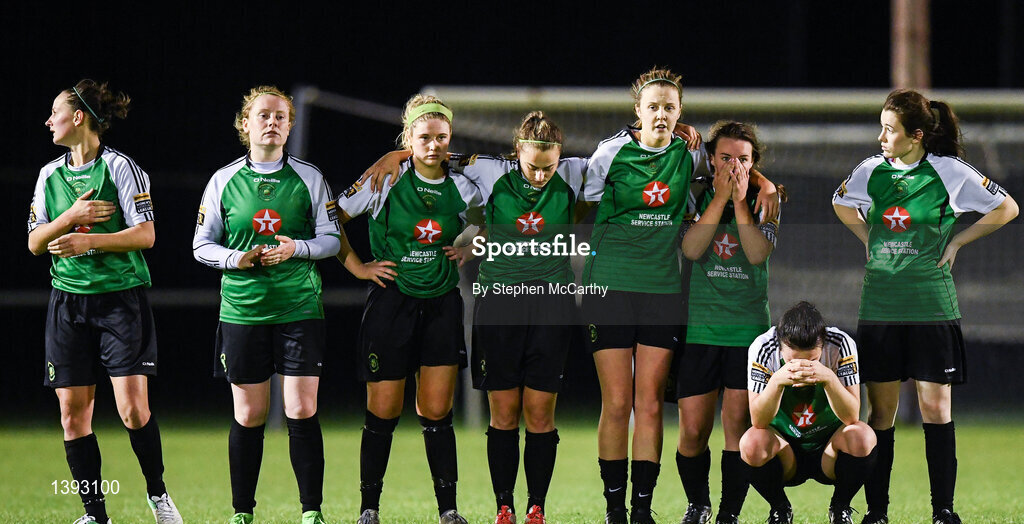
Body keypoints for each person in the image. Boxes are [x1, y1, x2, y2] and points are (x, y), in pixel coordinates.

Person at [578, 67, 780, 524]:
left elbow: (734, 165)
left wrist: (764, 184)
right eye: (653, 106)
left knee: (649, 403)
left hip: (662, 290)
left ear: (680, 112)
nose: (662, 114)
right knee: (617, 403)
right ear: (638, 111)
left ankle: (642, 509)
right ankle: (614, 509)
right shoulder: (610, 153)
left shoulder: (689, 157)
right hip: (608, 287)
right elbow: (577, 191)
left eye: (670, 107)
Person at [832, 89, 1018, 524]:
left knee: (936, 409)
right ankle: (877, 512)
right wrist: (868, 239)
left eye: (889, 130)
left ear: (915, 136)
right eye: (880, 127)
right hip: (880, 308)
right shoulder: (869, 171)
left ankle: (943, 511)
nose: (881, 137)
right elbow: (841, 204)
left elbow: (1006, 208)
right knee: (881, 414)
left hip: (932, 307)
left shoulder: (948, 172)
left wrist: (957, 241)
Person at [28, 79, 182, 524]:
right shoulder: (48, 175)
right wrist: (70, 219)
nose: (48, 120)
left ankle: (159, 498)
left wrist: (89, 240)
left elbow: (146, 235)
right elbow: (36, 242)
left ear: (78, 118)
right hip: (67, 303)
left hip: (119, 302)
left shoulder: (120, 168)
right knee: (72, 416)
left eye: (54, 112)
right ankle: (96, 515)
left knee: (133, 409)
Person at [192, 85, 342, 524]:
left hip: (299, 308)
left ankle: (311, 512)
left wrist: (297, 247)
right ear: (246, 125)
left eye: (281, 116)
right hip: (242, 310)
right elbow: (200, 246)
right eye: (263, 115)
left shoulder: (310, 177)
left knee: (301, 409)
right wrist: (238, 258)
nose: (272, 122)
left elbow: (331, 240)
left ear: (290, 125)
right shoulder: (222, 181)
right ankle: (243, 512)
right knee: (249, 413)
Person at [335, 94, 481, 524]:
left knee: (436, 411)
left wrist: (472, 244)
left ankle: (449, 511)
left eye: (441, 137)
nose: (433, 145)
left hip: (442, 304)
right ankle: (369, 509)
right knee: (383, 410)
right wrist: (358, 266)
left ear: (450, 139)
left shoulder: (466, 183)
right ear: (408, 138)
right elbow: (329, 218)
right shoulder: (386, 178)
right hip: (391, 303)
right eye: (423, 137)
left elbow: (497, 209)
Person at [675, 121, 781, 524]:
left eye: (743, 158)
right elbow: (691, 248)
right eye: (725, 157)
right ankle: (697, 504)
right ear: (710, 159)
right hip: (701, 329)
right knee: (692, 433)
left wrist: (739, 202)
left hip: (747, 332)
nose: (733, 165)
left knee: (737, 429)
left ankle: (728, 514)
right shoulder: (697, 193)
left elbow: (756, 255)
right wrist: (719, 199)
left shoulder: (767, 198)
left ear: (754, 164)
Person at [740, 301, 877, 524]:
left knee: (862, 435)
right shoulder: (763, 347)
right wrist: (776, 382)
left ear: (822, 345)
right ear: (781, 346)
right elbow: (758, 420)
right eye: (793, 360)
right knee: (751, 442)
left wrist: (829, 377)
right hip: (786, 450)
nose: (803, 367)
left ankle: (840, 507)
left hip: (829, 449)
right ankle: (780, 509)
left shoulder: (840, 344)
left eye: (812, 360)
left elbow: (852, 416)